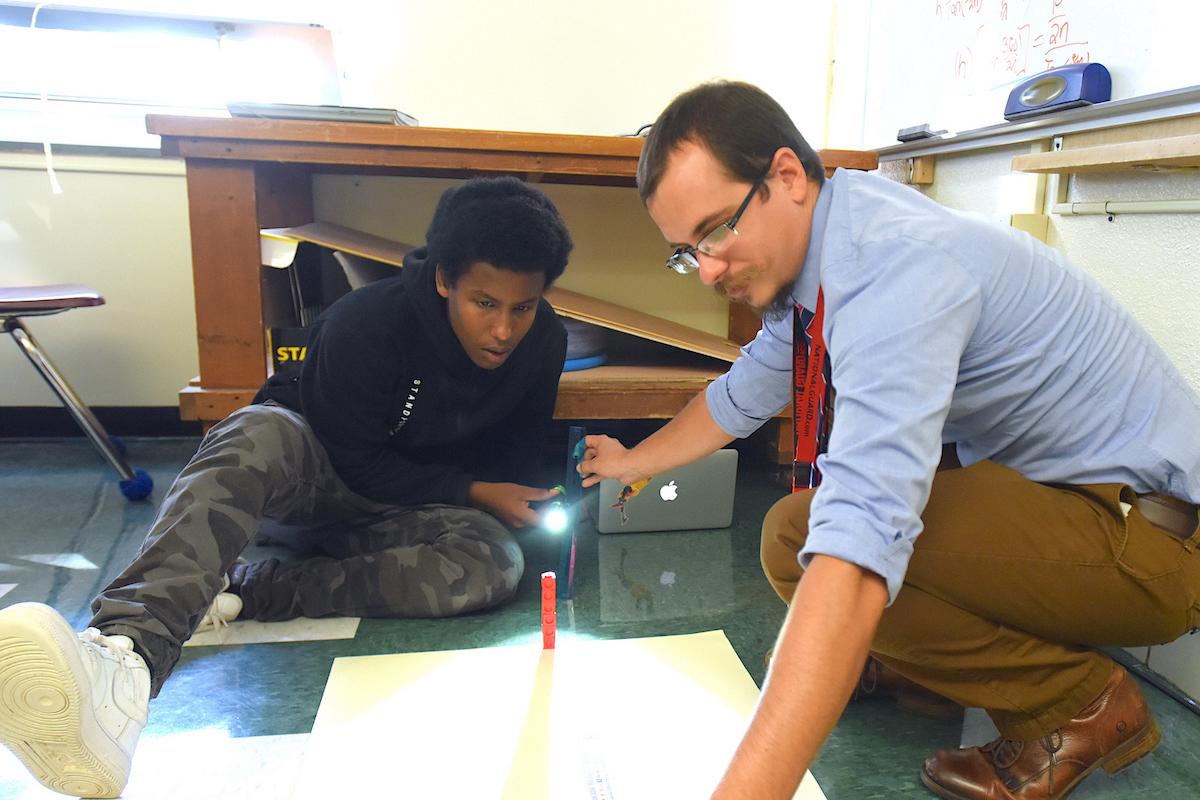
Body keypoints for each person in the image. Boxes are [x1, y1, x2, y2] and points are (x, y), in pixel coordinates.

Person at [578, 81, 1200, 800]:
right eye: (688, 251)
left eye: (717, 230)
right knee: (793, 536)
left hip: (1155, 545)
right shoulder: (829, 248)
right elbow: (740, 395)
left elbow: (861, 539)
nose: (710, 268)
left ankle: (1079, 705)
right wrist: (633, 461)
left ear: (786, 177)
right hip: (1080, 511)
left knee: (823, 545)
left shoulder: (891, 269)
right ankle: (934, 667)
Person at [0, 176, 573, 798]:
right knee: (255, 433)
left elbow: (514, 461)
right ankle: (121, 660)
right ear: (444, 280)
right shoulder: (365, 324)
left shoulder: (545, 342)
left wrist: (539, 497)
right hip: (318, 483)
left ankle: (247, 593)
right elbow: (355, 462)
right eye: (484, 303)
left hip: (414, 507)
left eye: (524, 307)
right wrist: (472, 490)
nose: (504, 331)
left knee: (493, 565)